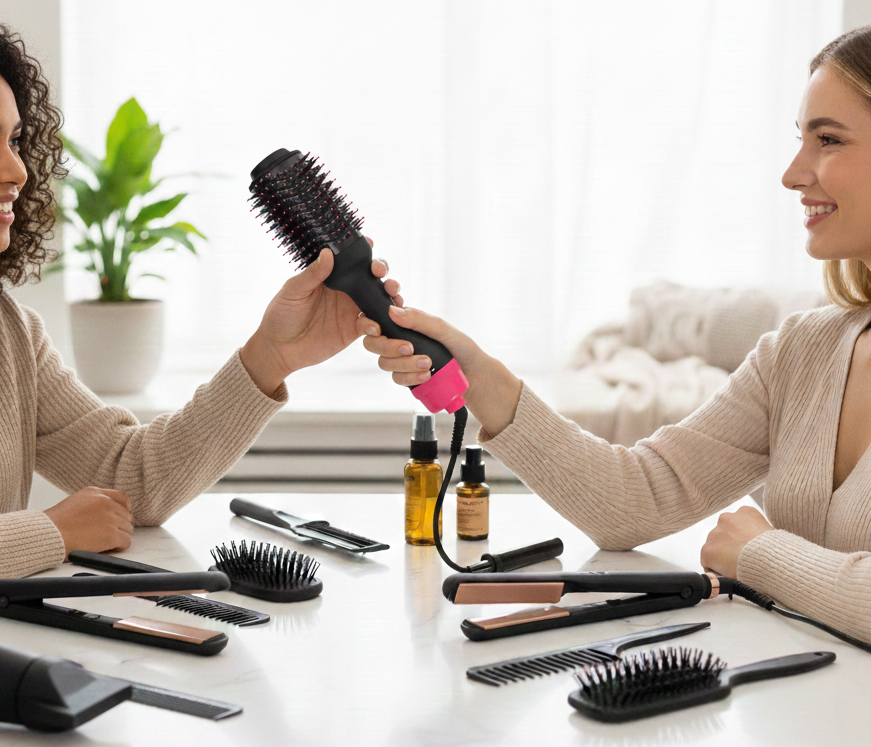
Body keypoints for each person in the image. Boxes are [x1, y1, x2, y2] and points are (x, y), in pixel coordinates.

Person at [0, 0, 402, 603]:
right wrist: (53, 531)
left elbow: (134, 479)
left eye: (16, 139)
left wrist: (272, 355)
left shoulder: (2, 328)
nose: (17, 170)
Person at [362, 27, 871, 644]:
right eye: (801, 140)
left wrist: (762, 553)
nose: (793, 174)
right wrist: (478, 374)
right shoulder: (802, 352)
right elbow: (634, 500)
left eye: (828, 140)